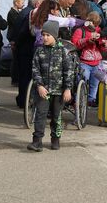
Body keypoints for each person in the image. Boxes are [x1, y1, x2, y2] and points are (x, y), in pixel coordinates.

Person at [27, 21, 74, 152]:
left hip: (59, 91)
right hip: (44, 90)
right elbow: (35, 70)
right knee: (40, 115)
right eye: (43, 35)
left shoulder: (63, 51)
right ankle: (37, 141)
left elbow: (68, 72)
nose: (45, 38)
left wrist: (67, 89)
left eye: (48, 35)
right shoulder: (39, 51)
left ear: (55, 35)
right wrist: (40, 86)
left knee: (56, 116)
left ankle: (55, 139)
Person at [9, 0, 41, 108]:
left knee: (24, 76)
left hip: (22, 49)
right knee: (25, 77)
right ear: (37, 3)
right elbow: (22, 32)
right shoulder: (30, 14)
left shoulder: (24, 12)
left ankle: (22, 99)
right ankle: (23, 100)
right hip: (26, 50)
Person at [72, 12, 107, 107]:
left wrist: (104, 45)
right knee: (82, 81)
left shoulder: (99, 31)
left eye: (96, 24)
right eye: (92, 23)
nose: (94, 26)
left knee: (94, 85)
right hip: (84, 62)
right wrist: (87, 40)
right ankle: (79, 102)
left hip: (97, 62)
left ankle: (91, 102)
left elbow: (103, 49)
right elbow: (74, 44)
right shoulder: (80, 31)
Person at [7, 0, 25, 86]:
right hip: (14, 38)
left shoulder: (16, 12)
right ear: (16, 3)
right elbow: (15, 25)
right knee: (15, 59)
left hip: (16, 38)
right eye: (22, 3)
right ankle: (14, 79)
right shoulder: (12, 13)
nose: (23, 4)